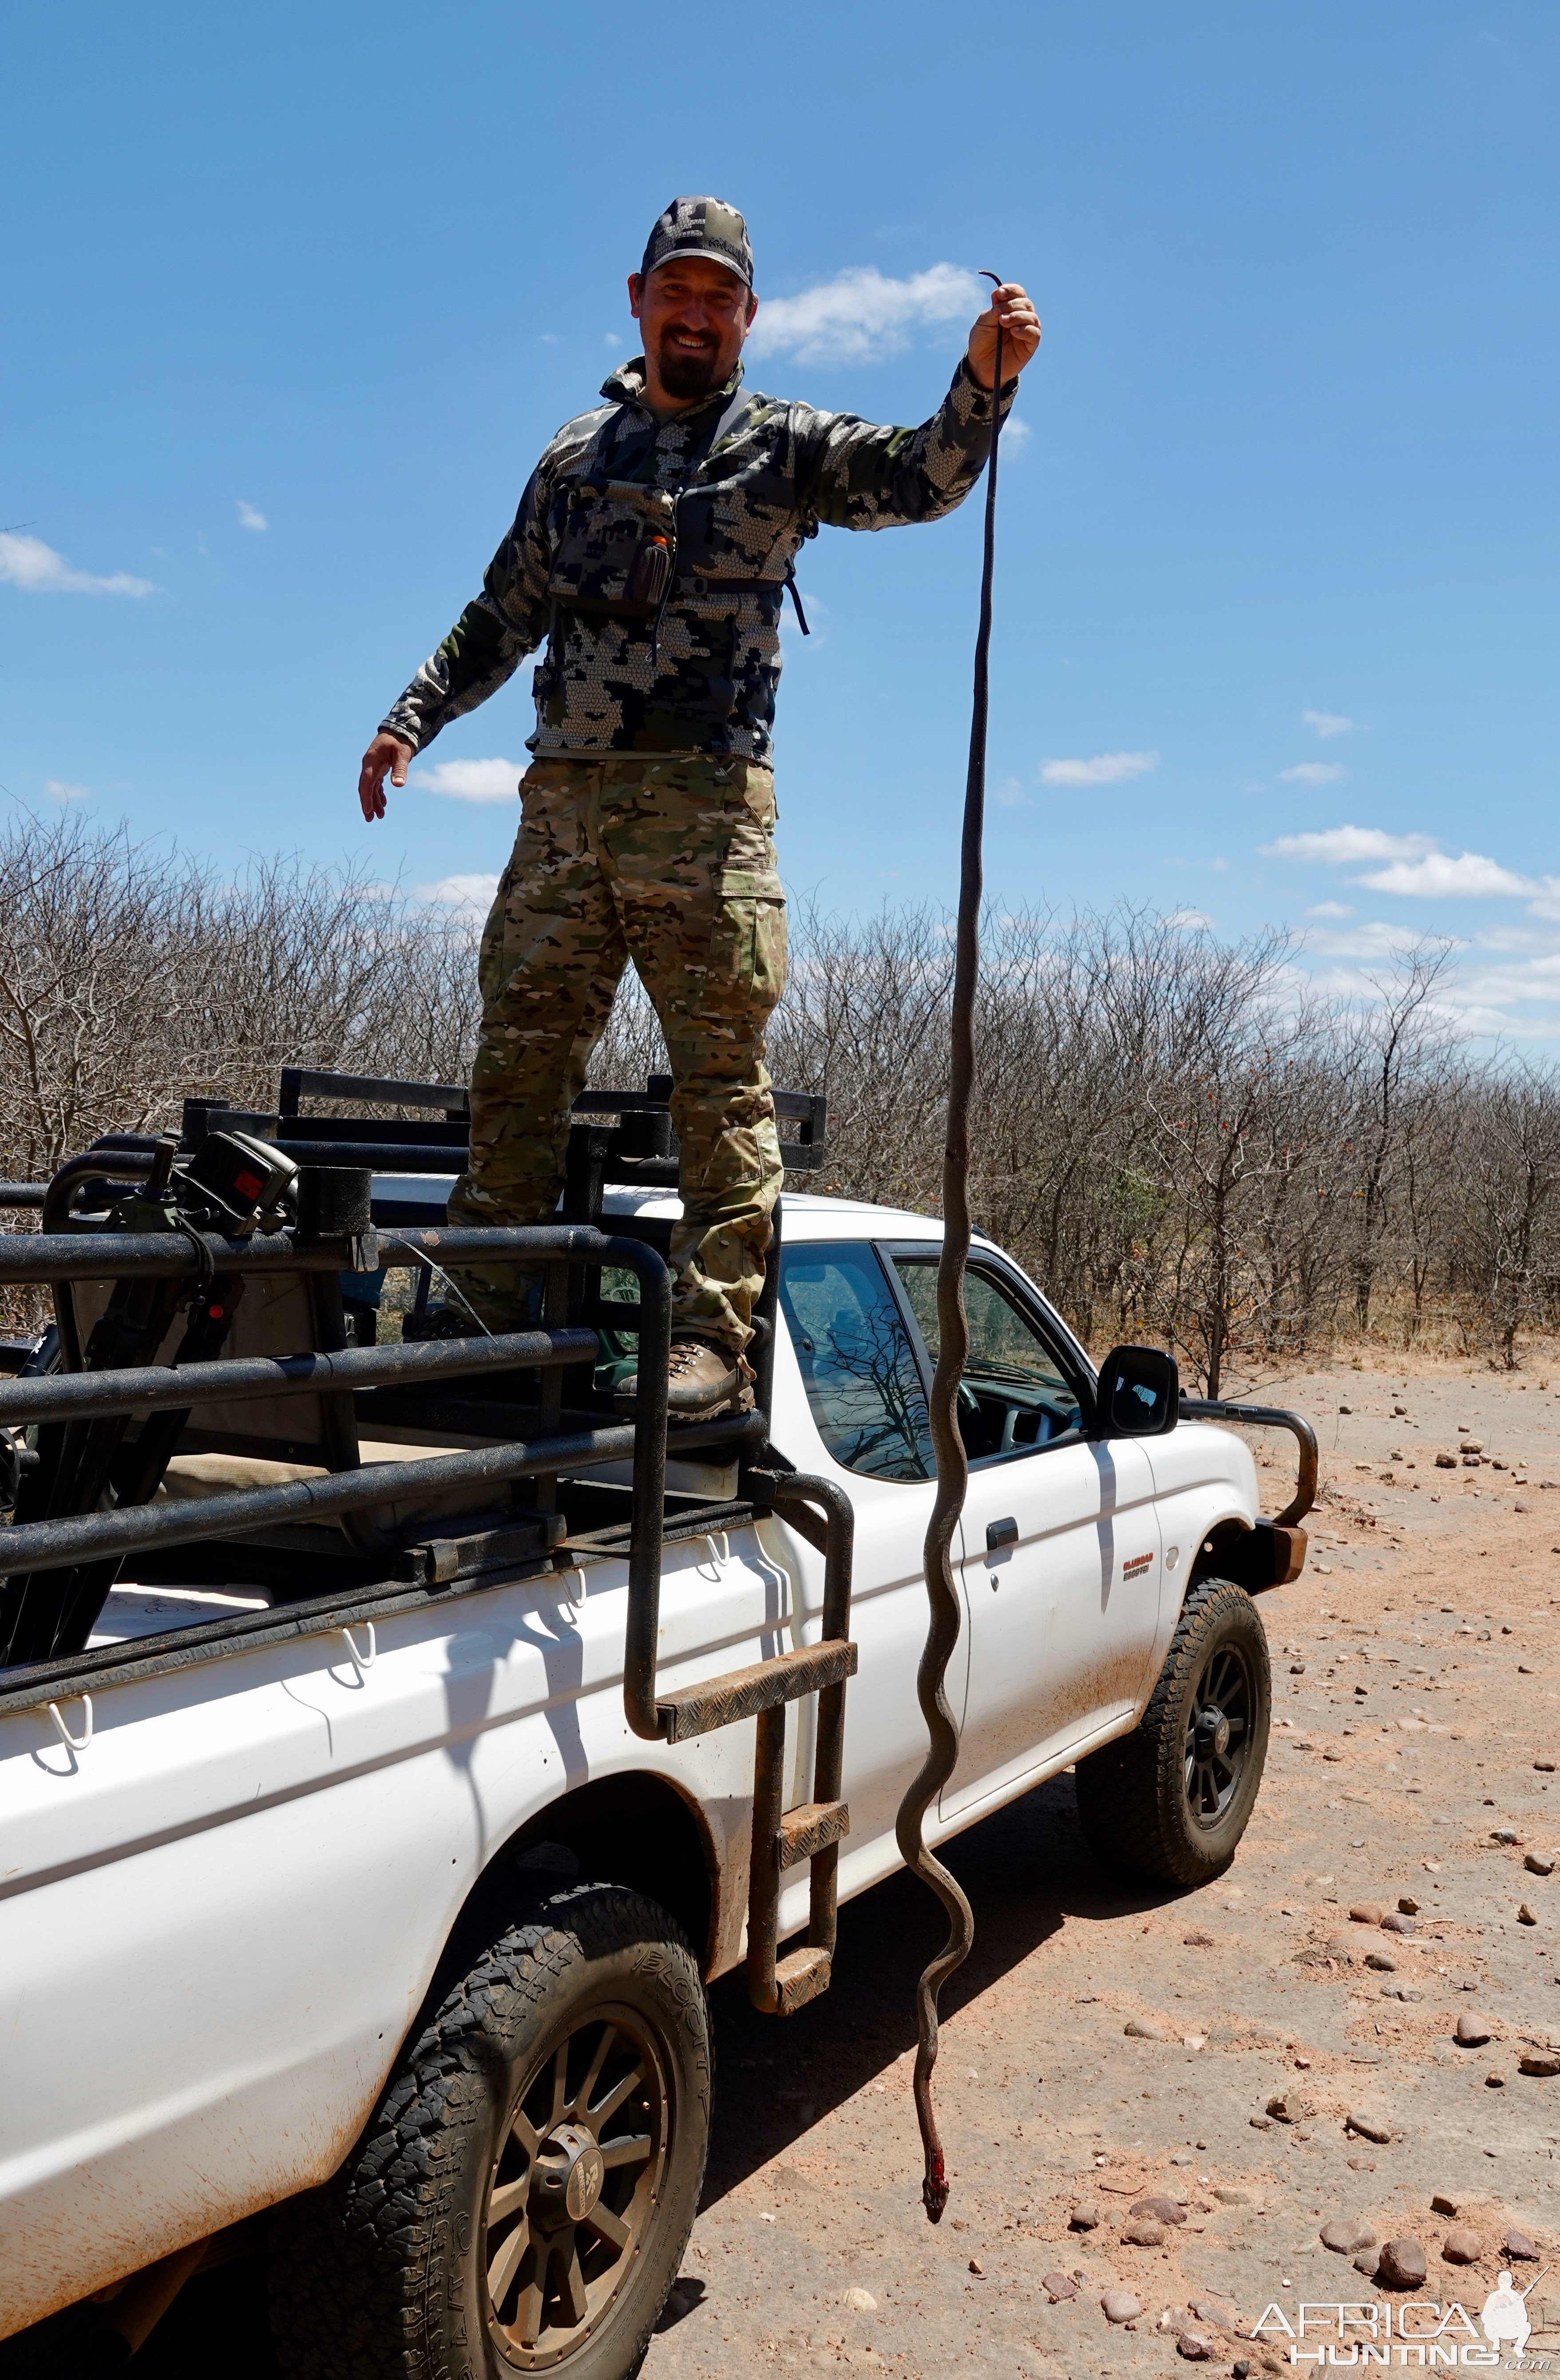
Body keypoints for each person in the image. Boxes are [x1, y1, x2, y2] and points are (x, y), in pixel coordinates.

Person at [359, 197, 1041, 1414]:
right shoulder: (572, 459)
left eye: (719, 296)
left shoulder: (780, 445)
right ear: (637, 299)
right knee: (517, 1074)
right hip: (562, 812)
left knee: (720, 1086)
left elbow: (916, 479)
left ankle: (712, 1341)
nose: (696, 312)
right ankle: (474, 1319)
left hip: (708, 813)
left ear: (747, 316)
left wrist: (981, 384)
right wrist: (410, 717)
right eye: (677, 289)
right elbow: (500, 613)